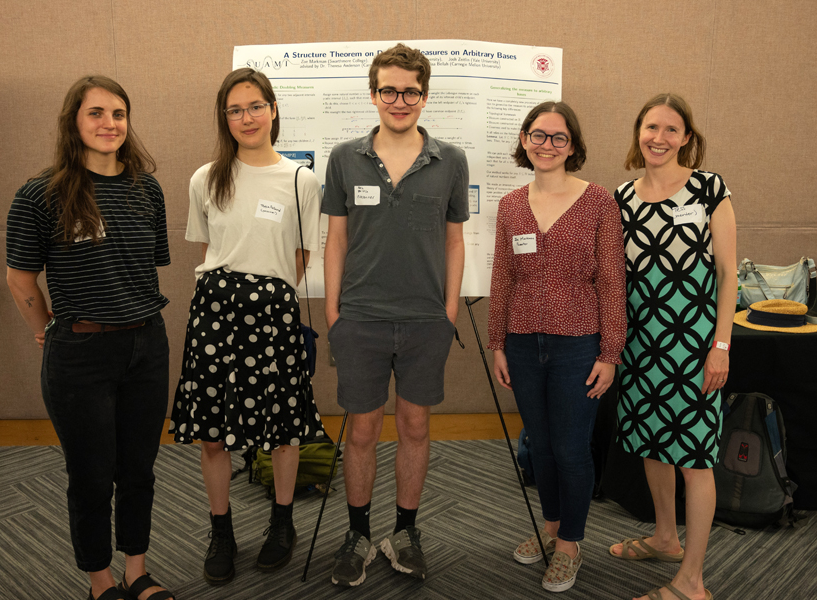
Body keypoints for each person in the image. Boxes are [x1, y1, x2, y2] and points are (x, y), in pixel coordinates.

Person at [5, 76, 174, 600]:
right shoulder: (43, 193)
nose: (109, 124)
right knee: (92, 475)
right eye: (96, 113)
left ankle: (136, 571)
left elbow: (147, 267)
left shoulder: (146, 188)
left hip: (147, 344)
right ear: (74, 122)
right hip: (80, 353)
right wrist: (44, 332)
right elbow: (19, 277)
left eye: (118, 114)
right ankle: (101, 581)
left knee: (138, 469)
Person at [169, 67, 325, 585]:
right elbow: (210, 247)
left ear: (273, 109)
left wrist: (268, 295)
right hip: (215, 310)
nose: (246, 117)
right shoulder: (205, 177)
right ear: (224, 118)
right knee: (212, 433)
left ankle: (283, 525)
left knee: (282, 426)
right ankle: (222, 531)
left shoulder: (301, 180)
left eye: (255, 106)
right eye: (234, 109)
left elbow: (300, 256)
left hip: (273, 311)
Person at [322, 43, 469, 587]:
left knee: (414, 425)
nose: (399, 100)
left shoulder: (450, 160)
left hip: (426, 321)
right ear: (373, 94)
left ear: (425, 97)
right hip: (359, 318)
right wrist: (335, 312)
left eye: (410, 91)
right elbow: (336, 240)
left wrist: (449, 309)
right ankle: (358, 533)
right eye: (389, 90)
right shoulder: (345, 157)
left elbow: (455, 242)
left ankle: (405, 530)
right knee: (361, 430)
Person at [488, 101, 626, 593]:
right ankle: (549, 529)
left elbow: (612, 282)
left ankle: (570, 544)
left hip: (578, 347)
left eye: (558, 138)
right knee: (540, 446)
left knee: (570, 448)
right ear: (524, 140)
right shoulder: (509, 205)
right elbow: (502, 278)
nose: (547, 145)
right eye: (538, 135)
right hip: (523, 344)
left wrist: (610, 353)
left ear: (573, 146)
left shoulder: (597, 201)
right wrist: (497, 344)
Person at [610, 93, 736, 600]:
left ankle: (692, 581)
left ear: (687, 137)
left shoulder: (709, 189)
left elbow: (728, 275)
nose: (658, 138)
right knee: (652, 443)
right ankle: (665, 537)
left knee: (695, 457)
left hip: (694, 346)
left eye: (670, 129)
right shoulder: (621, 197)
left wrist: (721, 345)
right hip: (641, 345)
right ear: (638, 132)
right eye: (650, 127)